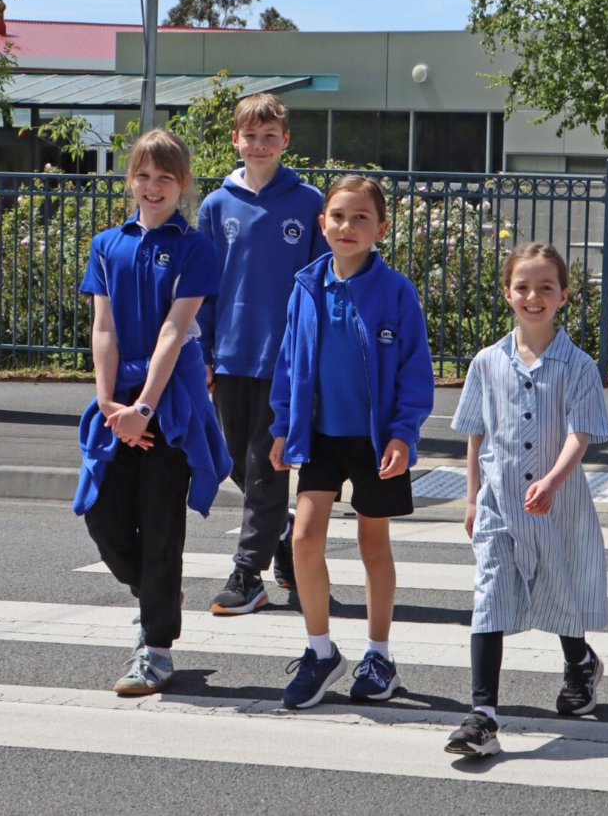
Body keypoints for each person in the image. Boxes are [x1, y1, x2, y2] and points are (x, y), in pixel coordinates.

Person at [74, 128, 232, 695]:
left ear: (183, 184)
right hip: (118, 403)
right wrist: (108, 402)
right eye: (143, 175)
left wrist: (144, 407)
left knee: (162, 526)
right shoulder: (106, 244)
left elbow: (174, 329)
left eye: (165, 177)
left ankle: (155, 649)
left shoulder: (195, 248)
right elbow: (103, 327)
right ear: (129, 180)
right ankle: (157, 595)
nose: (153, 186)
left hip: (171, 402)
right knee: (103, 518)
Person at [269, 175, 435, 709]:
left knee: (373, 546)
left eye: (361, 217)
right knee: (303, 540)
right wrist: (281, 425)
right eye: (338, 216)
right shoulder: (306, 286)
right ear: (322, 224)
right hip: (319, 435)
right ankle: (320, 651)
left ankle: (379, 656)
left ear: (380, 228)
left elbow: (415, 371)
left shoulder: (396, 291)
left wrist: (403, 434)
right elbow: (289, 361)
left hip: (375, 441)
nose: (347, 226)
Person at [444, 243, 608, 758]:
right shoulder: (486, 362)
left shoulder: (578, 366)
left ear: (564, 295)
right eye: (522, 286)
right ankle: (483, 715)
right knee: (490, 597)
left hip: (556, 506)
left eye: (545, 287)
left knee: (558, 591)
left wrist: (554, 480)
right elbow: (475, 432)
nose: (533, 296)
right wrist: (472, 498)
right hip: (499, 504)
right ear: (506, 293)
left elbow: (581, 433)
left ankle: (580, 663)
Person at [196, 93, 328, 615]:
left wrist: (313, 356)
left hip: (284, 360)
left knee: (267, 465)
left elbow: (321, 285)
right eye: (250, 136)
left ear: (285, 140)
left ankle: (248, 573)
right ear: (235, 140)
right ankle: (283, 529)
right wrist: (203, 350)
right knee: (233, 460)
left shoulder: (308, 202)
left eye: (269, 136)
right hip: (230, 354)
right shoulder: (216, 205)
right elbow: (203, 288)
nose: (259, 145)